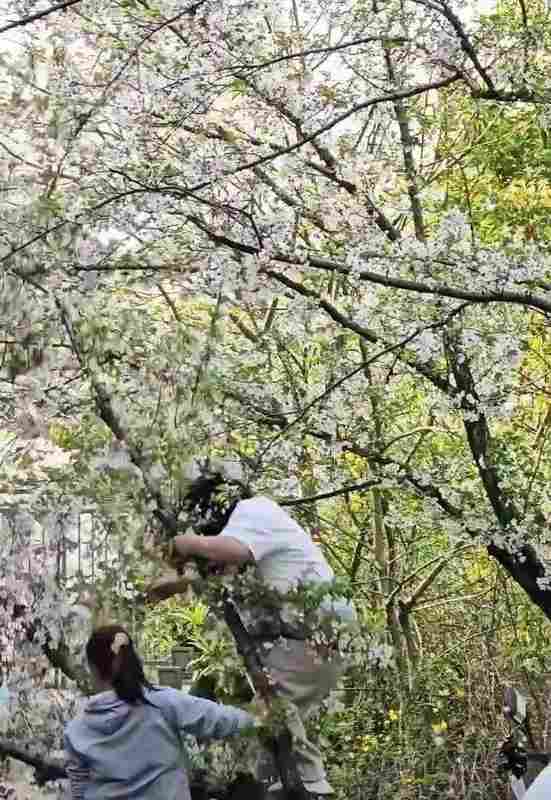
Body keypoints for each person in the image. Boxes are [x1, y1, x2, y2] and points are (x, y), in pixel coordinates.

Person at [151, 468, 357, 798]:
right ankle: (298, 781)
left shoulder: (255, 509)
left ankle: (299, 785)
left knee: (264, 714)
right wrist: (177, 583)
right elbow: (224, 570)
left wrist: (186, 542)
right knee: (263, 713)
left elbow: (234, 552)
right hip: (307, 636)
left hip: (312, 634)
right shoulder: (252, 532)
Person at [64, 624, 256, 800]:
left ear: (93, 670)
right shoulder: (161, 703)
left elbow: (79, 793)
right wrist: (263, 717)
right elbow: (222, 720)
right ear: (131, 659)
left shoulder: (77, 730)